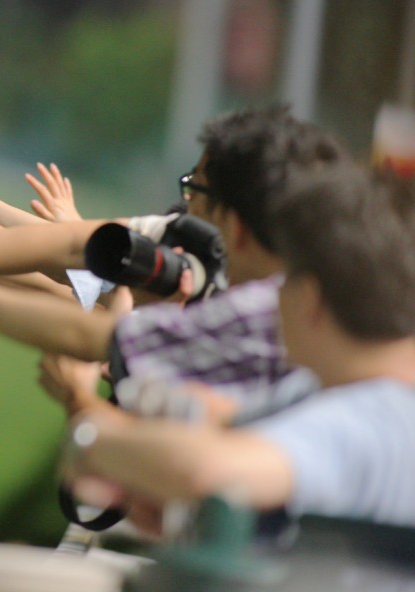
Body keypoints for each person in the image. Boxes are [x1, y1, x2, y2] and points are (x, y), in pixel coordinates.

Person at [0, 107, 348, 406]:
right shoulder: (205, 245)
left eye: (195, 188)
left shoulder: (261, 317)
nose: (184, 200)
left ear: (236, 222)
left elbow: (94, 328)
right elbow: (78, 248)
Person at [61, 163, 415, 531]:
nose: (272, 295)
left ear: (310, 300)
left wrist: (89, 431)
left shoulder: (367, 417)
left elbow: (208, 471)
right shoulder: (332, 393)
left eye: (286, 278)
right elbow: (221, 423)